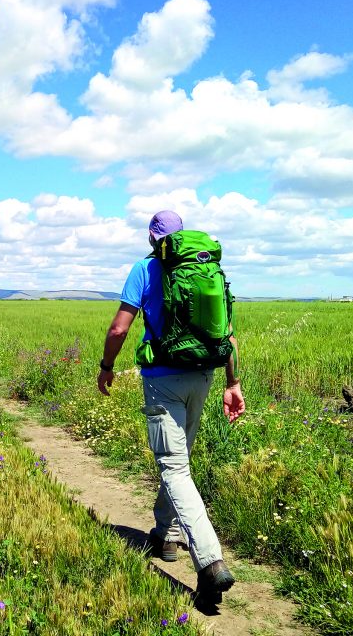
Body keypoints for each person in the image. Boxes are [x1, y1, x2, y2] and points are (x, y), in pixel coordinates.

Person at [96, 210, 244, 613]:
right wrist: (233, 383)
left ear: (151, 237)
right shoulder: (207, 268)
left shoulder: (144, 269)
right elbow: (227, 332)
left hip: (163, 378)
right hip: (204, 376)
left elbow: (119, 329)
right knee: (179, 464)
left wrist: (106, 367)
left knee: (174, 468)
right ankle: (166, 534)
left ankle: (210, 561)